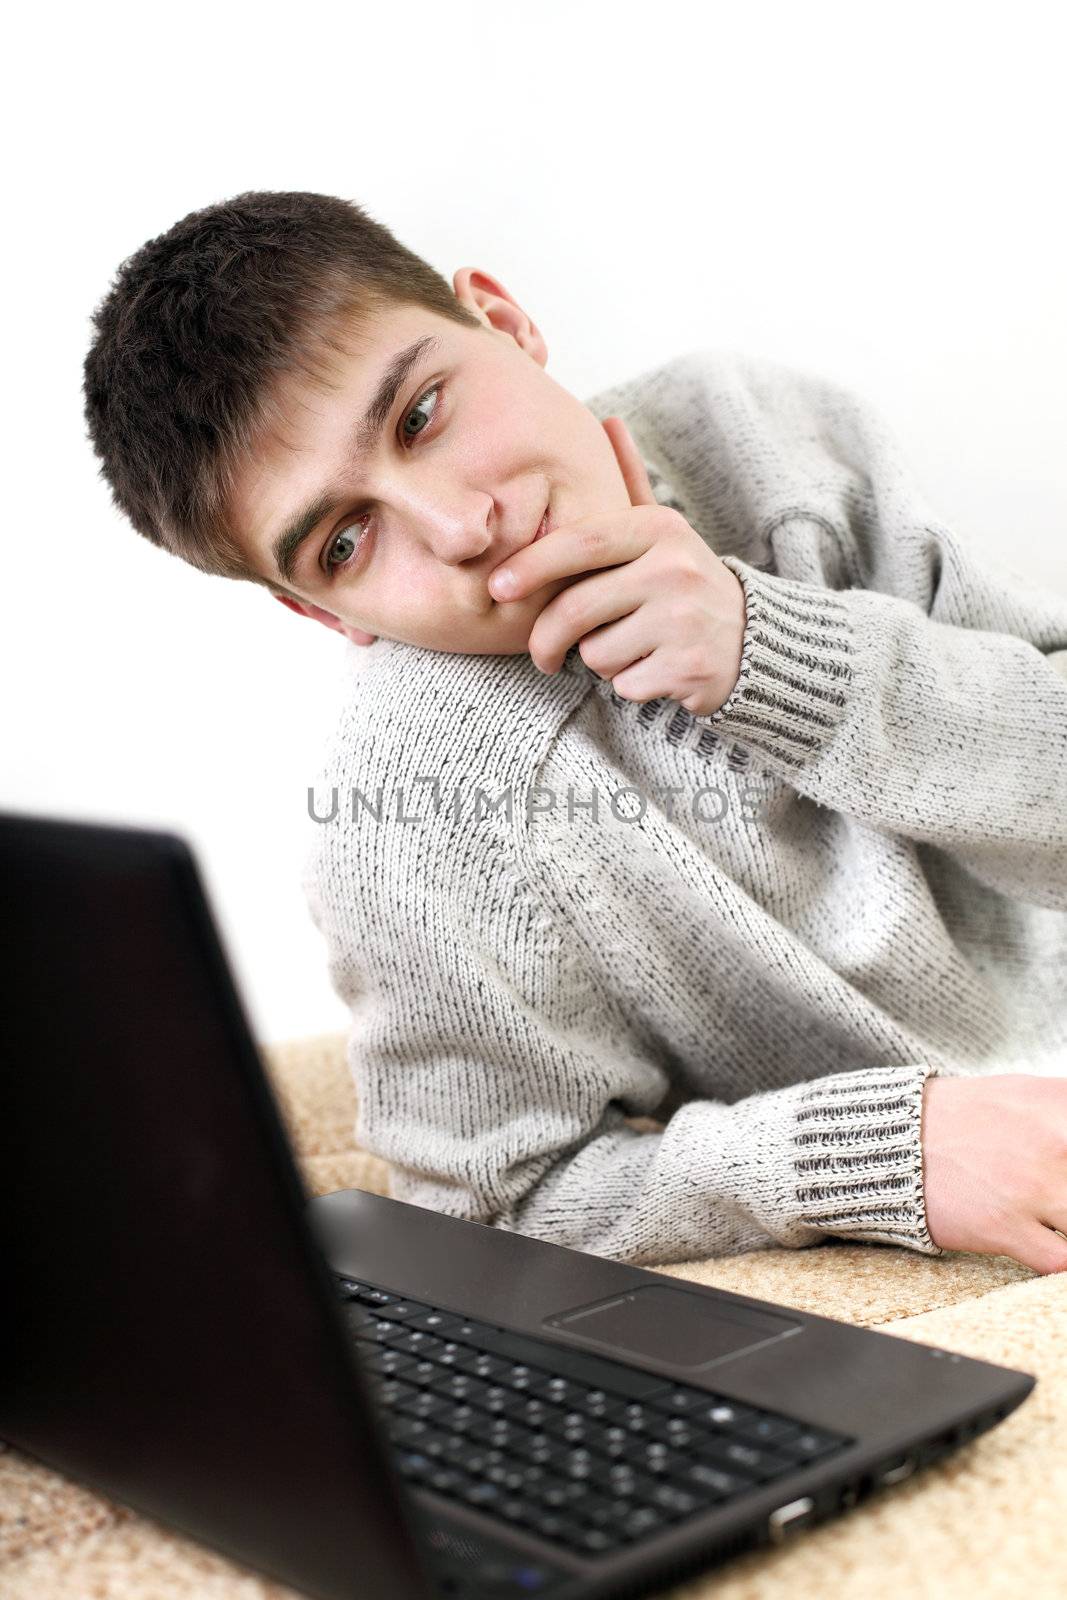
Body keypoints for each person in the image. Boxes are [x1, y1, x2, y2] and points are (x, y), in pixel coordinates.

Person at [83, 190, 1067, 1277]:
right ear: (322, 614)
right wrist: (884, 1154)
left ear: (503, 323)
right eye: (348, 542)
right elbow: (501, 1209)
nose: (461, 528)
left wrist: (771, 651)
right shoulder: (407, 834)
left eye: (419, 415)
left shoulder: (764, 438)